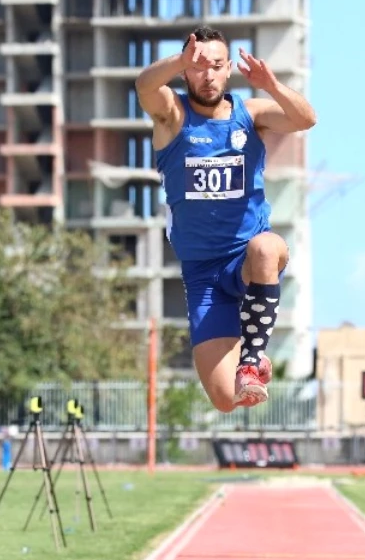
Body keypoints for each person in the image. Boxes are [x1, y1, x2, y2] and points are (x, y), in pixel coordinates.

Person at [136, 26, 317, 411]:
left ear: (228, 68)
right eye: (198, 66)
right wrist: (178, 60)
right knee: (226, 401)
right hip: (203, 274)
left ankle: (251, 359)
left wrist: (271, 84)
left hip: (246, 258)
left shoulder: (249, 114)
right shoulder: (173, 115)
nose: (208, 74)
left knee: (268, 246)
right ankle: (250, 357)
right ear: (186, 72)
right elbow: (144, 87)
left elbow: (305, 120)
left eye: (216, 65)